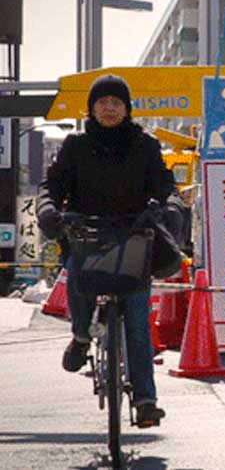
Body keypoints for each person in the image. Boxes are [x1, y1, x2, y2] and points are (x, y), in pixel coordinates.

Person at [37, 74, 182, 428]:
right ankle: (80, 336)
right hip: (85, 232)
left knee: (136, 318)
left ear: (127, 108)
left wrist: (173, 204)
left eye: (117, 103)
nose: (110, 109)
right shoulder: (75, 145)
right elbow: (51, 186)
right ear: (92, 108)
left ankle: (146, 400)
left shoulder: (144, 145)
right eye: (103, 102)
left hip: (133, 235)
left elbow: (165, 185)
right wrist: (47, 209)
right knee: (78, 277)